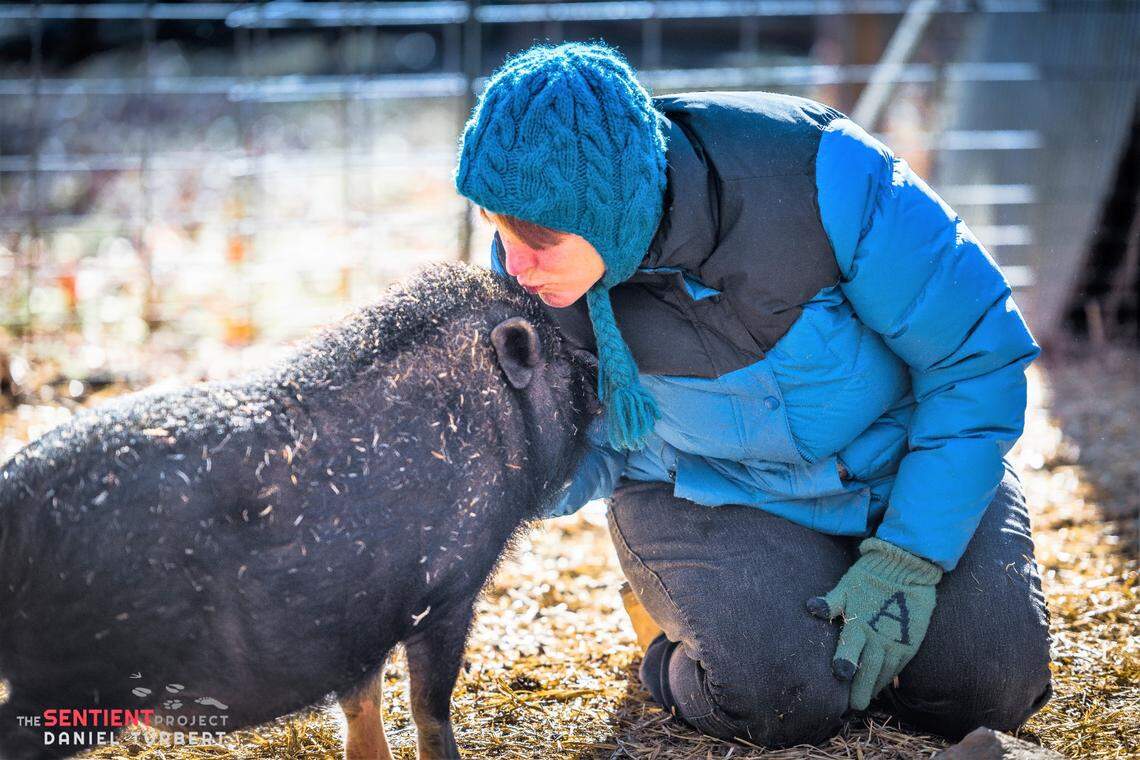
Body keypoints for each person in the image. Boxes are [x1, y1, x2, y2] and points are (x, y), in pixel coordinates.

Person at [453, 41, 1052, 747]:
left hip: (895, 469)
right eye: (495, 229)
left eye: (538, 240)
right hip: (712, 495)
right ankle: (679, 648)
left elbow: (975, 355)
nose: (512, 265)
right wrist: (501, 474)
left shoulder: (816, 174)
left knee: (986, 691)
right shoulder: (540, 287)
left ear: (607, 209)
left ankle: (840, 620)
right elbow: (585, 448)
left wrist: (908, 557)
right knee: (780, 699)